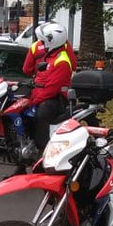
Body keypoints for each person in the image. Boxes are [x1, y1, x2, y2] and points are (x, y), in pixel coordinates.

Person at [21, 22, 77, 157]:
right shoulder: (50, 54)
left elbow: (52, 88)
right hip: (40, 92)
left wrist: (34, 101)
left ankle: (43, 151)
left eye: (45, 40)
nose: (42, 44)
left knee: (41, 115)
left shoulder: (61, 60)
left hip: (55, 98)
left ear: (52, 40)